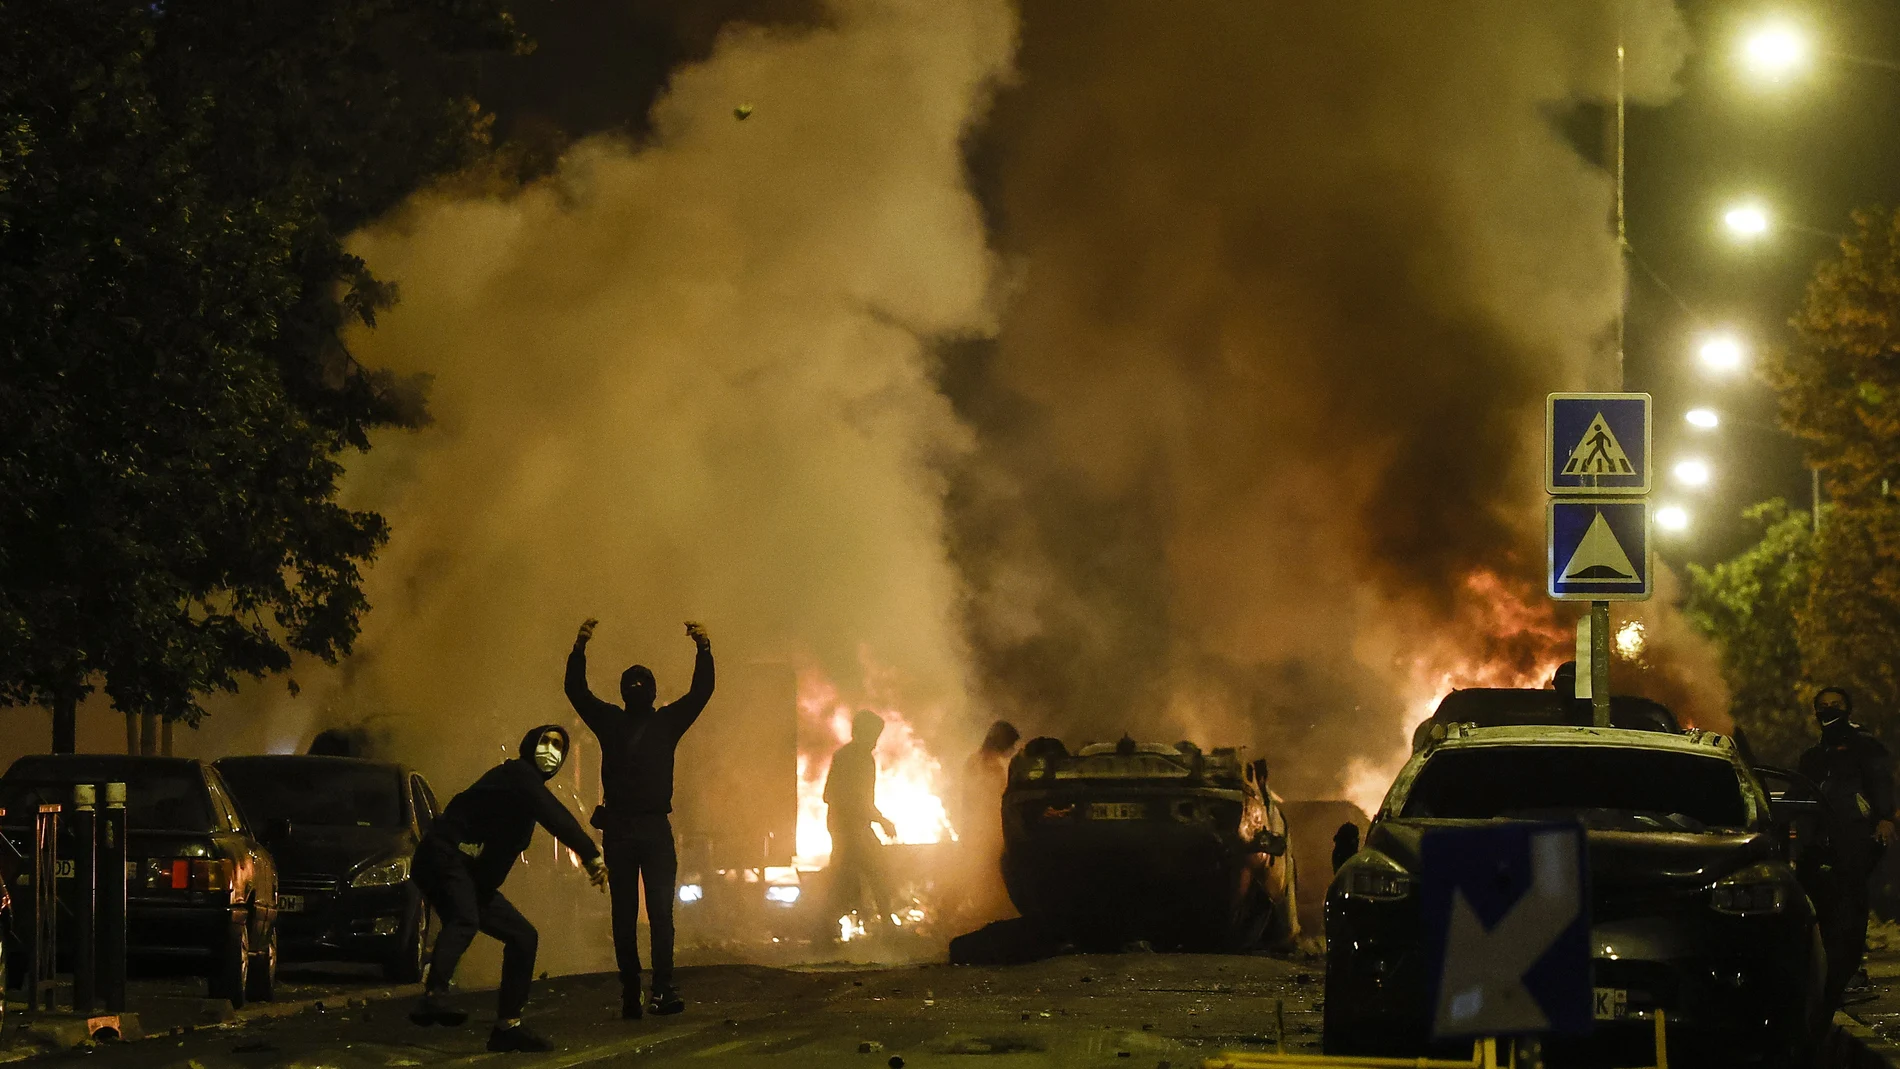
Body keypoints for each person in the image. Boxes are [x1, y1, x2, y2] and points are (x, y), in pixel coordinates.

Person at [409, 725, 608, 1052]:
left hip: (467, 873)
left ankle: (507, 1027)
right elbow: (555, 815)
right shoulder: (517, 774)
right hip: (443, 856)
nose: (551, 752)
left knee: (522, 936)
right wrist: (590, 855)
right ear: (529, 745)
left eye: (559, 747)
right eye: (546, 742)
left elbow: (499, 852)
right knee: (465, 918)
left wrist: (484, 888)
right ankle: (433, 996)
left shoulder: (526, 796)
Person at [566, 618, 714, 1019]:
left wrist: (580, 646)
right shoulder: (666, 722)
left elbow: (575, 691)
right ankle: (661, 990)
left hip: (620, 831)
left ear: (625, 693)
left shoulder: (610, 722)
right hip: (652, 829)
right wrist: (702, 647)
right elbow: (702, 692)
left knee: (625, 915)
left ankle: (631, 993)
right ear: (652, 693)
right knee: (661, 915)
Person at [1798, 686, 1896, 1007]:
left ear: (1848, 709)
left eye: (1835, 705)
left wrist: (1884, 819)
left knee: (1850, 904)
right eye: (1823, 707)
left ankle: (1850, 974)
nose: (1829, 711)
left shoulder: (1864, 746)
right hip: (1821, 844)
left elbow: (1881, 783)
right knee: (1825, 907)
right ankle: (1834, 975)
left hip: (1856, 839)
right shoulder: (1814, 756)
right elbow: (1803, 797)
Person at [823, 709, 896, 937]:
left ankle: (827, 927)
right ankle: (886, 927)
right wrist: (882, 820)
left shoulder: (844, 755)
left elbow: (829, 795)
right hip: (851, 828)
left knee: (844, 877)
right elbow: (858, 799)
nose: (875, 742)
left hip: (845, 826)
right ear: (863, 733)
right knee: (878, 870)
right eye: (874, 735)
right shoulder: (860, 759)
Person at [951, 720, 1020, 927]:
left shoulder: (974, 761)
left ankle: (955, 911)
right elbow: (997, 799)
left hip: (977, 828)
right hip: (988, 829)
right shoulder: (990, 766)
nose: (1012, 750)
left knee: (980, 872)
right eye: (1011, 745)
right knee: (993, 871)